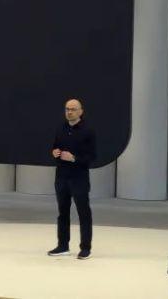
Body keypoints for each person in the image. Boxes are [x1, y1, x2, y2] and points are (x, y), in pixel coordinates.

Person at [46, 98, 96, 259]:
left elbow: (92, 157)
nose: (69, 112)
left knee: (83, 212)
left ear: (81, 111)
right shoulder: (61, 128)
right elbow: (55, 147)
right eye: (67, 109)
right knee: (62, 212)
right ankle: (63, 245)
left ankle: (85, 247)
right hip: (61, 176)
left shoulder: (88, 131)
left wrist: (74, 158)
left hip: (79, 177)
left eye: (73, 109)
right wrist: (54, 152)